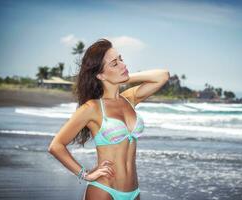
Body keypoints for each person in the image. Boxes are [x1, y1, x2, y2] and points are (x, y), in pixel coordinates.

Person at [48, 38, 170, 200]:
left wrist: (124, 77)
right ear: (100, 74)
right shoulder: (92, 108)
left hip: (133, 192)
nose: (123, 65)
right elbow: (56, 146)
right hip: (104, 190)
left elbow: (162, 76)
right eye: (114, 64)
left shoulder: (129, 99)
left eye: (121, 59)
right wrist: (84, 174)